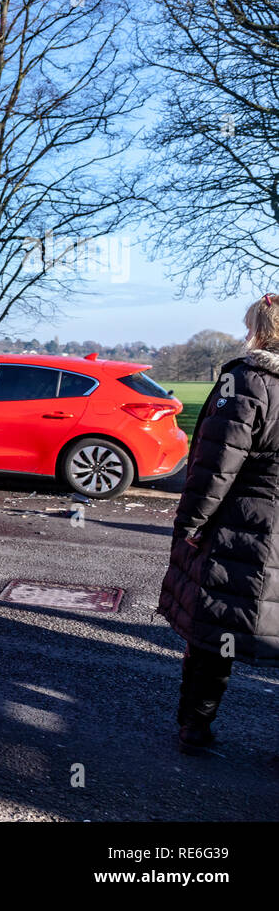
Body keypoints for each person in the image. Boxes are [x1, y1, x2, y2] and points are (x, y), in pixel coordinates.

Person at [160, 294, 279, 754]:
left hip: (242, 525)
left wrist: (191, 522)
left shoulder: (246, 378)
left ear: (258, 327)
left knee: (217, 634)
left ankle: (196, 726)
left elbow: (216, 463)